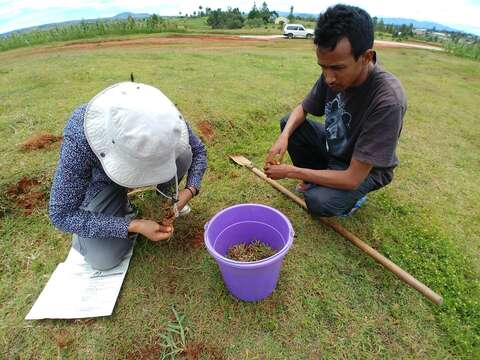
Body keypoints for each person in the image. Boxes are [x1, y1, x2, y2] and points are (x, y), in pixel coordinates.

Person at [265, 4, 406, 217]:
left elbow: (352, 178)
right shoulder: (332, 74)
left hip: (363, 169)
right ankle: (322, 178)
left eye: (337, 68)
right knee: (290, 124)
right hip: (338, 148)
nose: (329, 77)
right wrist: (283, 137)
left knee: (318, 202)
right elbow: (302, 109)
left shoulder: (387, 101)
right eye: (323, 67)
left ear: (367, 57)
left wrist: (291, 172)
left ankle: (350, 196)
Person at [49, 82, 207, 270]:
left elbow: (198, 151)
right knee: (103, 259)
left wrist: (188, 191)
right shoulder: (80, 135)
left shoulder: (164, 117)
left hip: (143, 163)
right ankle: (119, 208)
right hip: (102, 184)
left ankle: (163, 200)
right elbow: (61, 214)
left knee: (184, 153)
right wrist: (132, 225)